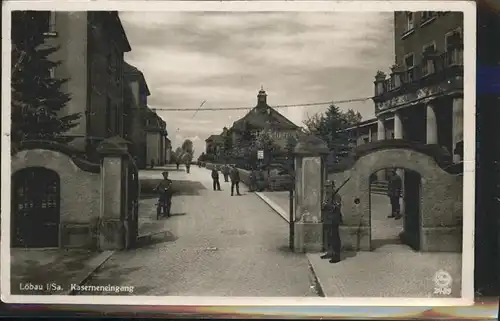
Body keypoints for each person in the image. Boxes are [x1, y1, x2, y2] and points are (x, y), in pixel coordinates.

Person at [320, 180, 343, 263]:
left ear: (332, 187)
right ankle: (330, 253)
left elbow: (336, 208)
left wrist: (327, 205)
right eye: (326, 187)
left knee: (334, 238)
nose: (327, 188)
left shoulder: (336, 196)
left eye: (328, 187)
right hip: (327, 219)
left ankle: (336, 256)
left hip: (334, 219)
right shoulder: (327, 195)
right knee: (328, 238)